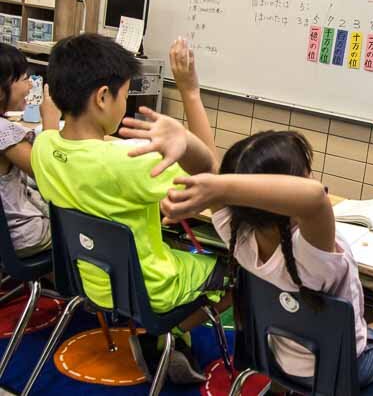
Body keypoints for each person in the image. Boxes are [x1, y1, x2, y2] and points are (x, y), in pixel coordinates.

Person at [150, 129, 373, 387]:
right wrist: (223, 186)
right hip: (338, 372)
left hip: (274, 359)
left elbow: (206, 170)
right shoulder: (312, 253)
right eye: (305, 175)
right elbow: (315, 197)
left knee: (364, 314)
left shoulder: (238, 236)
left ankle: (282, 388)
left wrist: (186, 141)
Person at [31, 34, 230, 384]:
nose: (127, 102)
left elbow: (69, 142)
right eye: (125, 94)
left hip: (88, 281)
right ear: (103, 97)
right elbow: (210, 175)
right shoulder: (130, 161)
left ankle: (168, 342)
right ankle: (162, 334)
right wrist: (190, 92)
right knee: (237, 273)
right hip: (149, 289)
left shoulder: (44, 147)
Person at [0, 43, 60, 256]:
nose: (29, 87)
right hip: (21, 235)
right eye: (24, 79)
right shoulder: (3, 133)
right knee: (86, 227)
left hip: (8, 231)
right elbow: (49, 174)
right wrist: (51, 120)